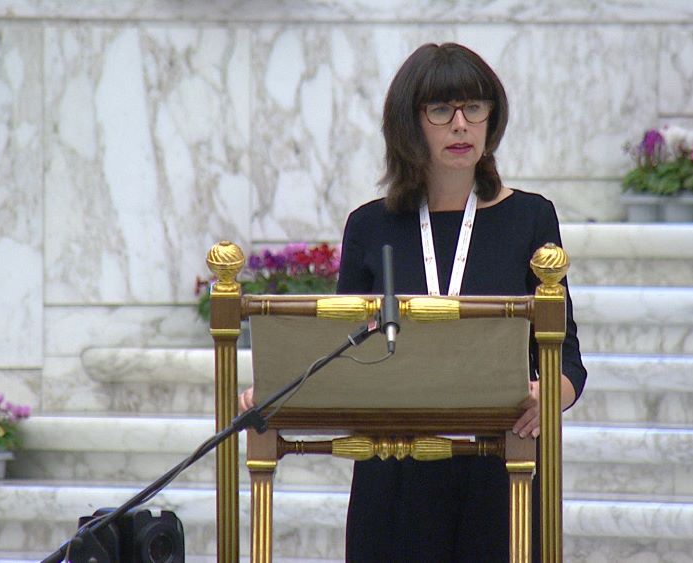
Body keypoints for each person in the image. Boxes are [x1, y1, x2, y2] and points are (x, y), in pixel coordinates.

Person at [239, 42, 587, 560]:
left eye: (475, 107)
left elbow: (569, 361)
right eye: (442, 110)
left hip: (498, 469)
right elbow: (344, 353)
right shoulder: (370, 226)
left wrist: (549, 395)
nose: (461, 125)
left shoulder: (531, 218)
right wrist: (278, 390)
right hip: (394, 475)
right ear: (410, 123)